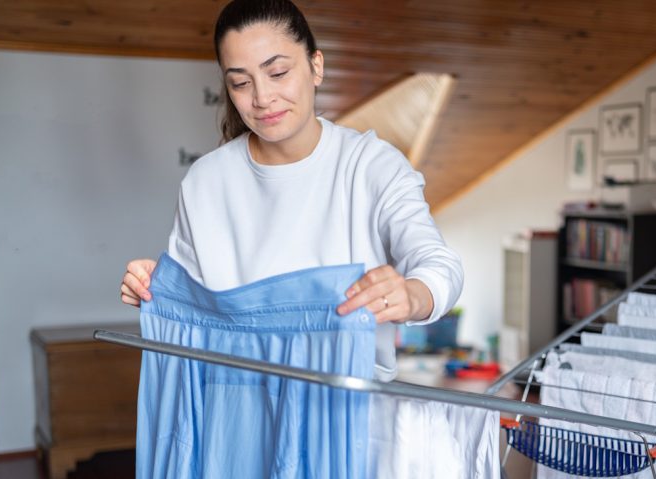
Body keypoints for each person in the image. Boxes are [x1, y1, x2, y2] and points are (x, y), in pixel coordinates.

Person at [119, 0, 463, 375]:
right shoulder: (205, 181)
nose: (262, 98)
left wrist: (412, 295)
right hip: (238, 405)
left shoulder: (371, 165)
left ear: (316, 66)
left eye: (278, 73)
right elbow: (193, 316)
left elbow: (440, 266)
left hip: (347, 414)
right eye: (240, 82)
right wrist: (157, 290)